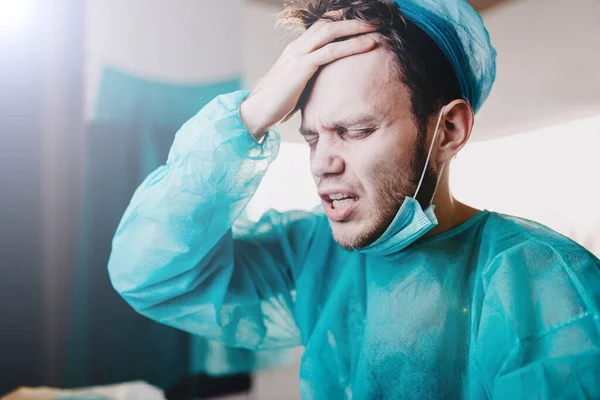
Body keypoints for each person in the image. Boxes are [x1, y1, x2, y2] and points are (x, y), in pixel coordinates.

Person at [108, 0, 600, 398]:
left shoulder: (542, 281)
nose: (323, 163)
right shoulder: (310, 257)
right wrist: (249, 117)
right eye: (314, 137)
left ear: (448, 130)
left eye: (357, 130)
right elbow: (150, 273)